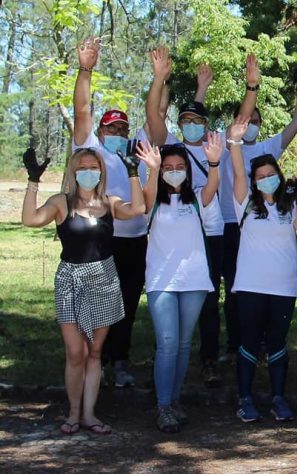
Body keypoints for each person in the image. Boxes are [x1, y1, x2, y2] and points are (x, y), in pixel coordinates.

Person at [21, 145, 147, 435]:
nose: (88, 172)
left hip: (104, 279)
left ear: (101, 171)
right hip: (70, 280)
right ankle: (73, 413)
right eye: (82, 167)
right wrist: (33, 181)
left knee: (95, 351)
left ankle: (89, 414)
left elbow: (139, 209)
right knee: (75, 352)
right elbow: (30, 220)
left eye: (94, 167)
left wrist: (133, 173)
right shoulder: (62, 203)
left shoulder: (109, 202)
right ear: (73, 171)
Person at [215, 55, 297, 376]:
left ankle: (268, 345)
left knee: (263, 289)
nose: (250, 121)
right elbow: (241, 116)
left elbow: (296, 125)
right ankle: (237, 344)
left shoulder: (268, 148)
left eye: (255, 119)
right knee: (237, 289)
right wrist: (251, 86)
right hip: (234, 224)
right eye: (246, 118)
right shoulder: (232, 145)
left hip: (264, 223)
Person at [72, 37, 153, 388]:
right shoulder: (92, 152)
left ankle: (120, 359)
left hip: (137, 240)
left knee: (129, 303)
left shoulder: (135, 155)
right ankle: (96, 361)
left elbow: (157, 115)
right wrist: (86, 69)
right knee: (100, 303)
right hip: (103, 242)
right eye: (111, 128)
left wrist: (159, 78)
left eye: (123, 129)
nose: (118, 133)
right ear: (101, 132)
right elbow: (81, 110)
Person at [226, 114, 297, 422]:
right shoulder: (244, 201)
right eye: (260, 175)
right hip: (249, 286)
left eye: (270, 173)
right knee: (248, 343)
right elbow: (236, 170)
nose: (266, 179)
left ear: (278, 173)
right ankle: (245, 398)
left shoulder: (288, 204)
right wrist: (234, 141)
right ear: (254, 180)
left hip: (283, 288)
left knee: (277, 343)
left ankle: (278, 397)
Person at [137, 133, 222, 433]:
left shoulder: (197, 197)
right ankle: (162, 406)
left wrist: (213, 161)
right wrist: (151, 168)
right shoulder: (154, 200)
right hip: (161, 280)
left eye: (179, 165)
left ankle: (174, 402)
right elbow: (145, 198)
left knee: (184, 344)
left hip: (195, 280)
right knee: (168, 343)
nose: (174, 170)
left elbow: (213, 186)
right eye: (167, 166)